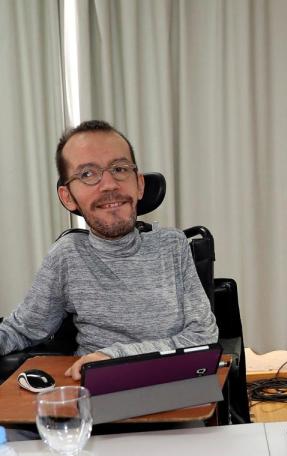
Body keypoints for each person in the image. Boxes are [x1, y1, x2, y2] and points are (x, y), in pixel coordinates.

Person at [0, 120, 218, 380]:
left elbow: (203, 335)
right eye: (87, 174)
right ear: (68, 196)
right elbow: (22, 329)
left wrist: (114, 358)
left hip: (174, 381)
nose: (109, 185)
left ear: (139, 184)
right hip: (93, 389)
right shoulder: (67, 255)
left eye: (119, 169)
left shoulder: (172, 245)